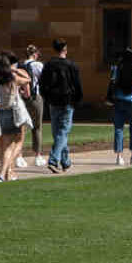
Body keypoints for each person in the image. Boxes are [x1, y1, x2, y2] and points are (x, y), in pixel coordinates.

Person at [36, 41, 82, 174]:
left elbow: (42, 83)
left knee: (58, 133)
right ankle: (53, 159)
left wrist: (47, 97)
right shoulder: (71, 65)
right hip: (67, 101)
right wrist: (77, 100)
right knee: (63, 131)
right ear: (65, 49)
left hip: (53, 101)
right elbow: (77, 85)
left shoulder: (49, 65)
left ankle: (65, 161)